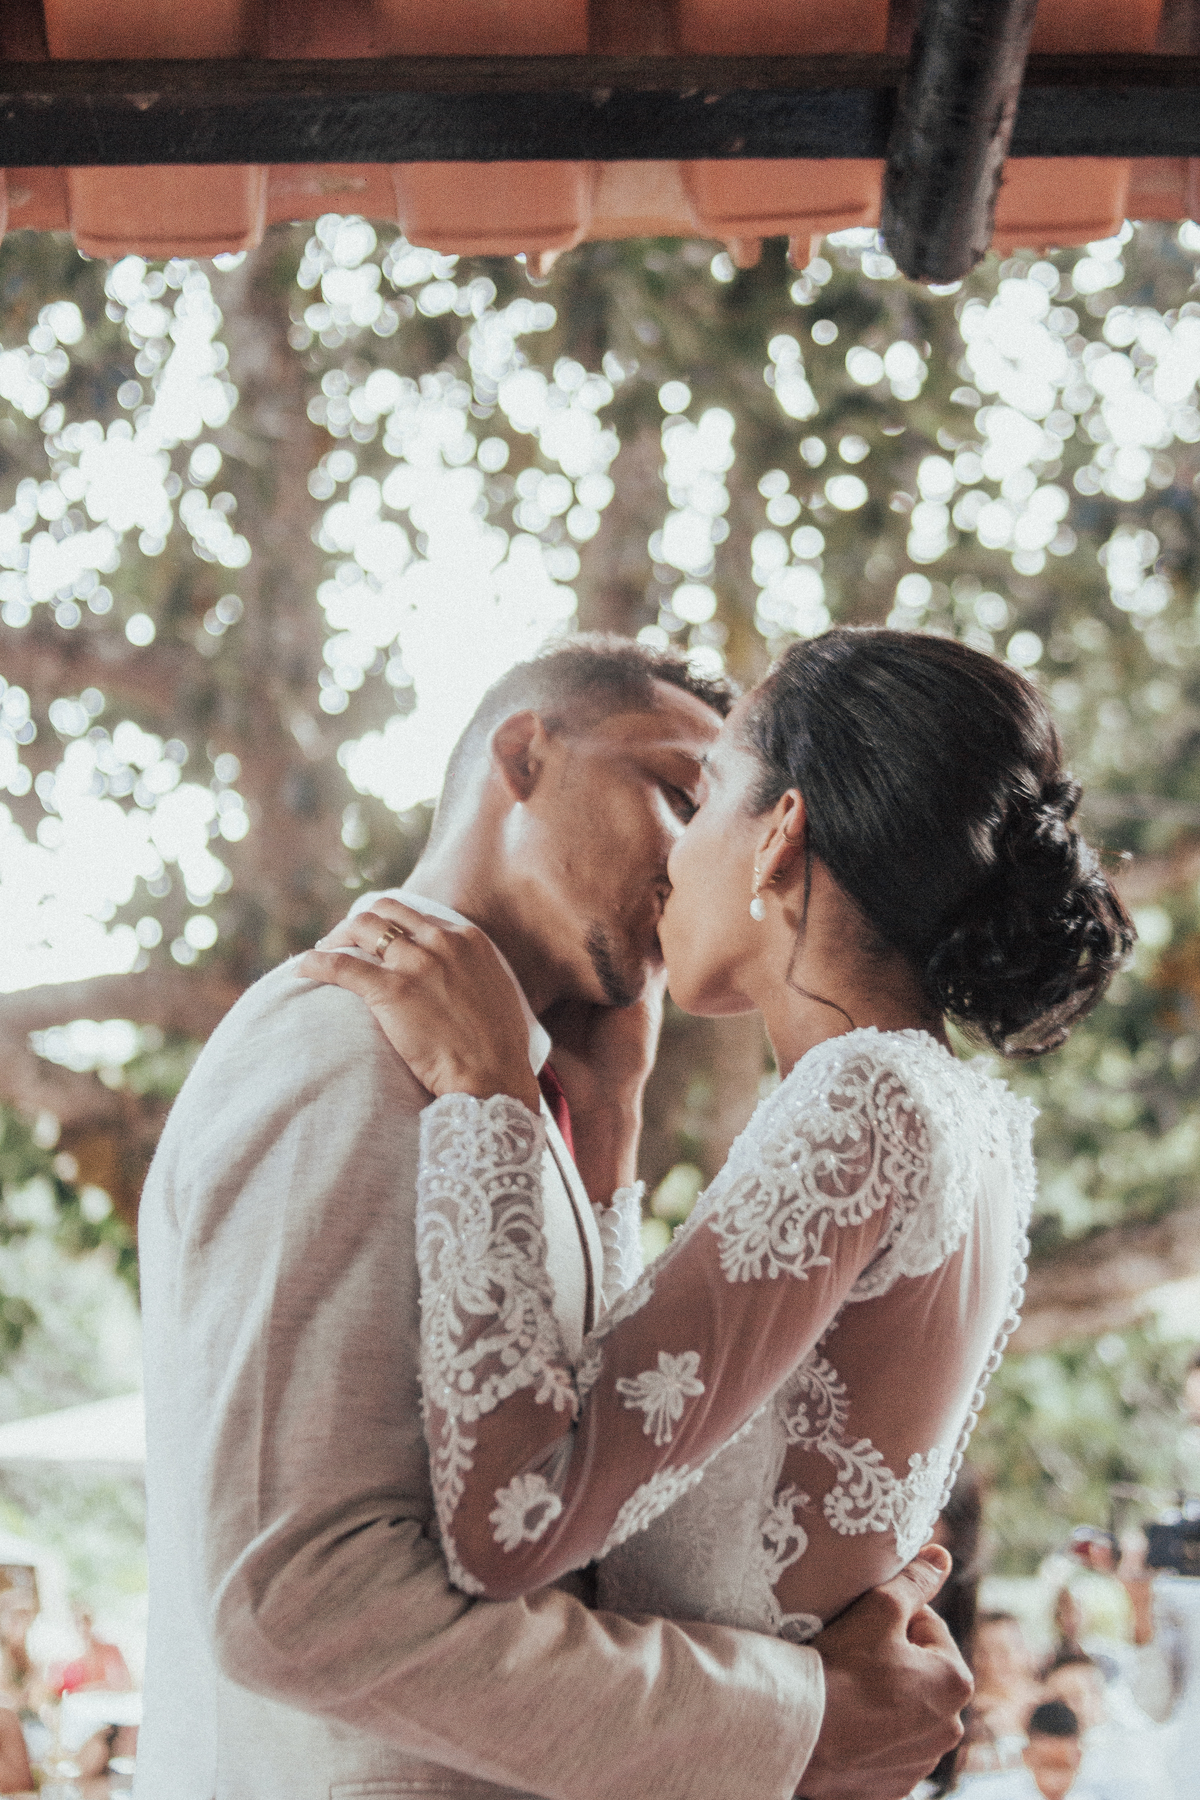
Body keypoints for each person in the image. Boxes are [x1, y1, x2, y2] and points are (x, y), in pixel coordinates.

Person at [136, 635, 973, 1800]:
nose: (701, 856)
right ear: (524, 755)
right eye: (679, 793)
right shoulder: (340, 1048)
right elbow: (296, 1602)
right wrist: (799, 1718)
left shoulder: (513, 1096)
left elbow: (574, 1476)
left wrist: (602, 1149)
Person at [305, 632, 1130, 1712]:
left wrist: (488, 1094)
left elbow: (515, 1524)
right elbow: (651, 1433)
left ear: (779, 832)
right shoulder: (956, 1112)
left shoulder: (863, 1103)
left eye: (701, 801)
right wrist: (608, 1134)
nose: (669, 861)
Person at [959, 1700, 1100, 1800]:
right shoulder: (991, 1793)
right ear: (1026, 1755)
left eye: (1063, 1768)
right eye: (1046, 1767)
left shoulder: (1092, 1795)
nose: (1054, 1782)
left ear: (1079, 1758)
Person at [961, 1613, 1043, 1775]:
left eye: (1002, 1651)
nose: (992, 1662)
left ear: (1025, 1652)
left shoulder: (1049, 1701)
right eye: (983, 1652)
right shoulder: (963, 1712)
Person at [54, 1607, 132, 1695]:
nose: (82, 1627)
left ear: (91, 1623)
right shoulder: (70, 1666)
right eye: (76, 1623)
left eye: (86, 1620)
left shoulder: (111, 1652)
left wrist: (88, 1689)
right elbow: (59, 1694)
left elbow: (123, 1685)